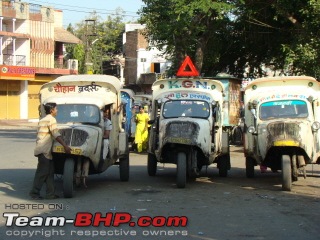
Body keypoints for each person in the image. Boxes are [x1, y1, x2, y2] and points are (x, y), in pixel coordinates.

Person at [29, 102, 71, 200]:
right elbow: (56, 134)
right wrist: (65, 146)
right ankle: (34, 193)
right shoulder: (51, 119)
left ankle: (50, 194)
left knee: (50, 172)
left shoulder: (42, 120)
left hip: (42, 149)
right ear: (52, 110)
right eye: (56, 109)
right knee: (42, 173)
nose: (57, 111)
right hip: (44, 150)